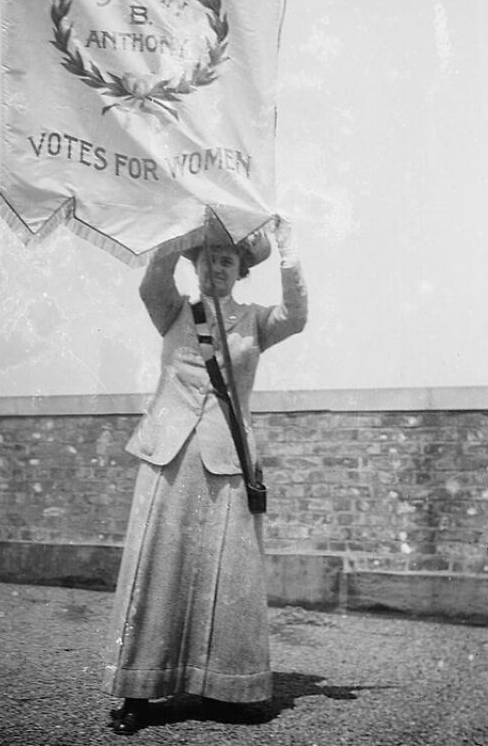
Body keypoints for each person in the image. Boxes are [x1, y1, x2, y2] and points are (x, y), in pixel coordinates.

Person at [103, 216, 308, 735]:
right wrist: (177, 230)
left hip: (226, 458)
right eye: (207, 258)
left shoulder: (257, 321)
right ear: (194, 264)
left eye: (227, 260)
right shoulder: (174, 311)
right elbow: (152, 282)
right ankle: (137, 692)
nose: (215, 267)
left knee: (231, 577)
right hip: (169, 455)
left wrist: (287, 248)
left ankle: (228, 688)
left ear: (240, 271)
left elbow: (297, 315)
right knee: (158, 569)